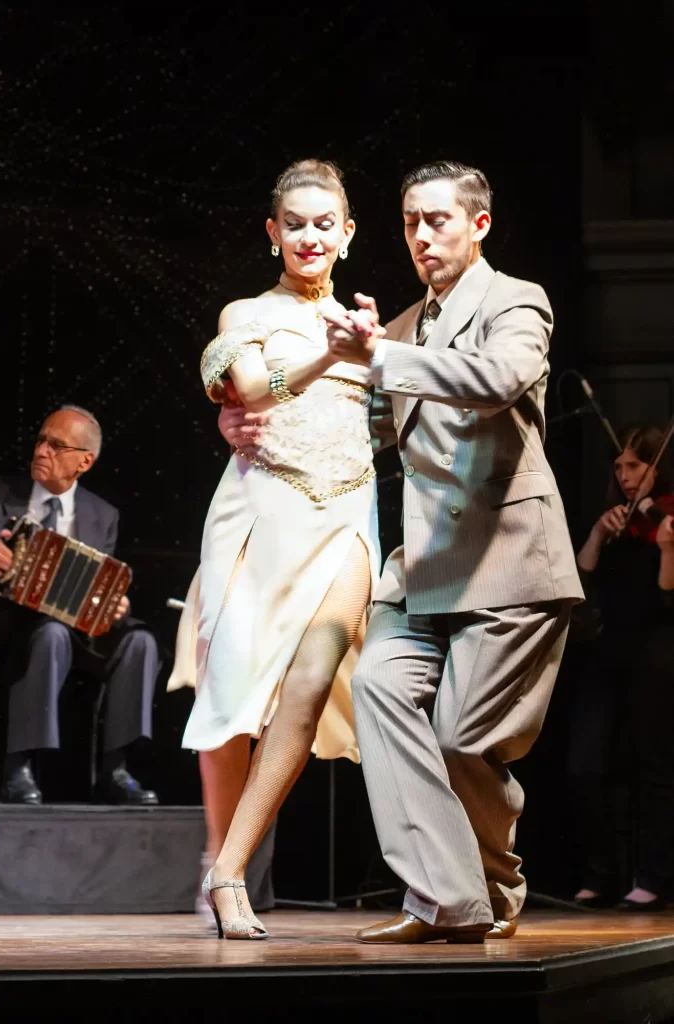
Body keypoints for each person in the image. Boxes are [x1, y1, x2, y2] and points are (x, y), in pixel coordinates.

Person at [224, 159, 584, 943]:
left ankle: (494, 883)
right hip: (418, 574)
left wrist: (378, 358)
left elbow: (497, 378)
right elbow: (353, 422)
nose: (422, 236)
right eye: (412, 222)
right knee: (382, 693)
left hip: (507, 564)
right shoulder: (395, 327)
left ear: (479, 224)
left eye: (439, 220)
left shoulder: (516, 303)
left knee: (461, 742)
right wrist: (241, 423)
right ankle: (445, 901)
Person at [174, 159, 380, 940]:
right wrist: (332, 355)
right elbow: (252, 387)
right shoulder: (247, 312)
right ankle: (219, 859)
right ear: (273, 233)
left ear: (348, 234)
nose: (309, 235)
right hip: (263, 515)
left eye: (325, 222)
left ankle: (230, 874)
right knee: (231, 704)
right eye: (294, 222)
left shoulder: (371, 324)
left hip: (348, 520)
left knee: (312, 677)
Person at [0, 405, 159, 806]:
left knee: (141, 642)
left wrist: (112, 602)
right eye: (40, 440)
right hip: (8, 625)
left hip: (74, 630)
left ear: (84, 461)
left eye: (56, 445)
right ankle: (18, 768)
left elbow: (93, 584)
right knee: (51, 634)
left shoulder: (103, 515)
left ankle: (115, 771)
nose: (41, 451)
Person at [568, 425, 674, 911]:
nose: (625, 476)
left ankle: (653, 875)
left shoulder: (663, 520)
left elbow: (667, 595)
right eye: (620, 466)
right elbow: (580, 583)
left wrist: (667, 547)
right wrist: (595, 535)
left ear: (657, 467)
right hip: (607, 651)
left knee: (655, 768)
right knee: (586, 765)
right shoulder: (614, 520)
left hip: (655, 650)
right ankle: (601, 871)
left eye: (636, 465)